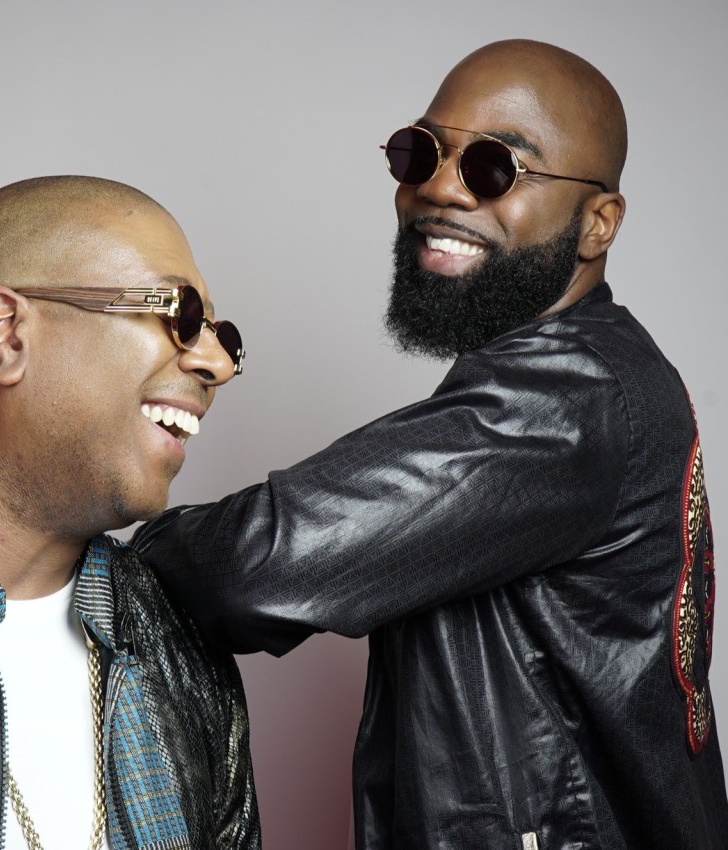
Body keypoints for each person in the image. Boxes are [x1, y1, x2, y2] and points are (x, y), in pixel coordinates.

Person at [133, 39, 728, 848]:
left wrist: (92, 559)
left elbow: (254, 565)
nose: (440, 188)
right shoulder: (600, 372)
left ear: (598, 224)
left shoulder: (565, 399)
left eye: (494, 167)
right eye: (420, 153)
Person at [0, 176, 259, 850]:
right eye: (181, 315)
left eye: (223, 336)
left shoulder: (181, 651)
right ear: (4, 334)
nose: (217, 363)